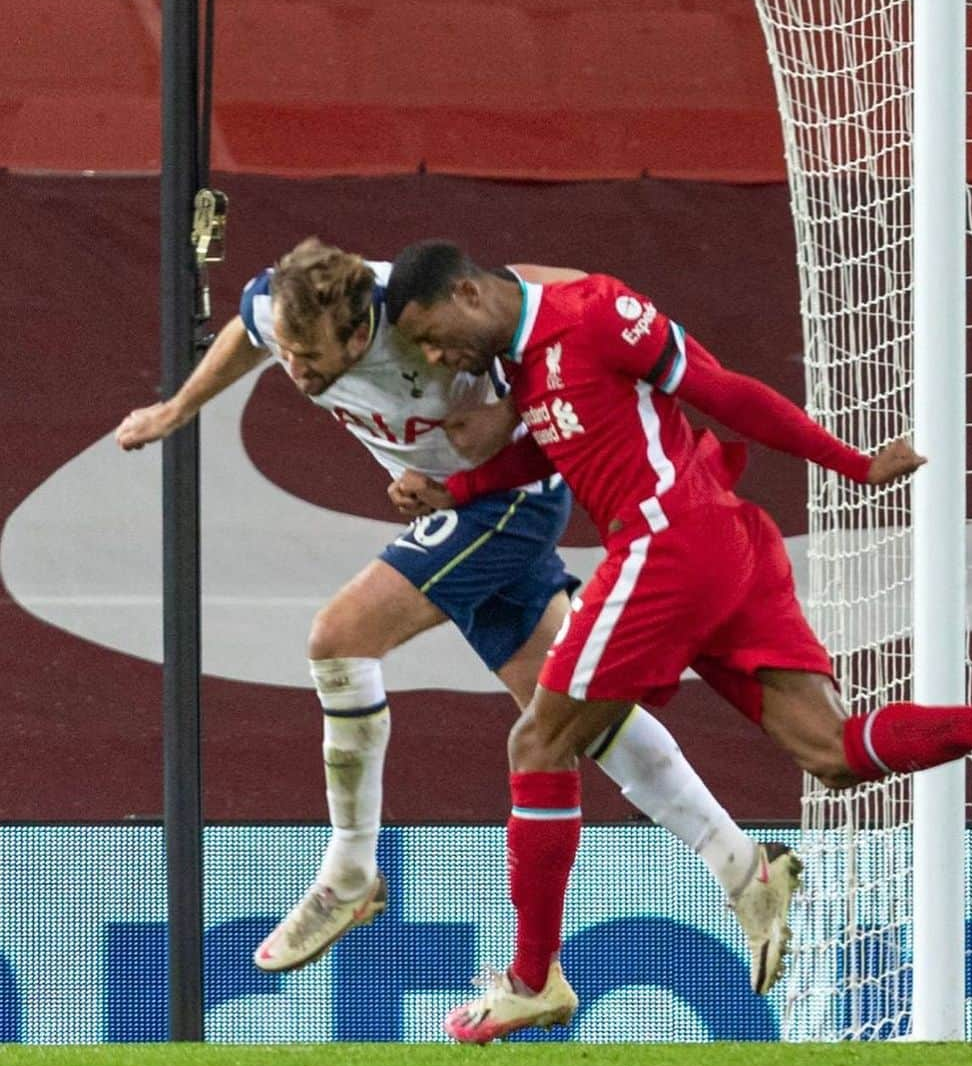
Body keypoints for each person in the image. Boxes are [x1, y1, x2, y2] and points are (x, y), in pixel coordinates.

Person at [386, 239, 972, 1045]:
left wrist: (850, 462)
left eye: (432, 335)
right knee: (830, 751)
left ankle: (532, 978)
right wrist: (455, 489)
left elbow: (725, 391)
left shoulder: (597, 312)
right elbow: (554, 445)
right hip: (719, 544)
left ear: (467, 292)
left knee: (539, 741)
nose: (438, 357)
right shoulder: (529, 371)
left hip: (667, 543)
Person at [115, 236, 801, 992]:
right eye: (290, 355)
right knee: (575, 715)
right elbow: (250, 332)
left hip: (510, 502)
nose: (299, 373)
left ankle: (349, 868)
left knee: (339, 638)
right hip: (458, 505)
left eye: (311, 357)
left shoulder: (416, 316)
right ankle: (745, 869)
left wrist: (510, 408)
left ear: (358, 332)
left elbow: (557, 290)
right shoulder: (281, 309)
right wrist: (178, 408)